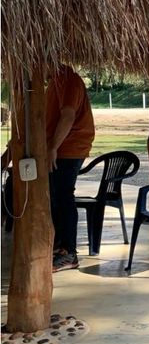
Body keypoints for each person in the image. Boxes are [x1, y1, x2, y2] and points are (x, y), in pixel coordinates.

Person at [46, 64, 95, 272]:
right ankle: (59, 247)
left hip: (69, 148)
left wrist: (53, 147)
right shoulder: (54, 82)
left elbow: (68, 116)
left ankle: (69, 252)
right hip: (59, 148)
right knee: (55, 197)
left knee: (63, 196)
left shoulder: (68, 80)